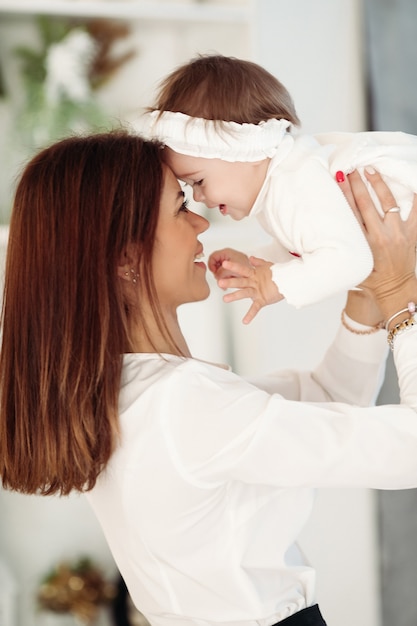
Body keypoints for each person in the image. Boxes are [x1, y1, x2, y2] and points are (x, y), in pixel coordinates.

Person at [1, 130, 417, 626]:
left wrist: (367, 289)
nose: (201, 221)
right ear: (124, 257)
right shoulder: (180, 406)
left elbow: (327, 398)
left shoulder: (136, 397)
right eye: (179, 206)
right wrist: (399, 296)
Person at [139, 53, 417, 321]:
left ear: (244, 150)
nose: (199, 198)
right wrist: (253, 264)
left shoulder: (295, 182)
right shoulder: (283, 186)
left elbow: (351, 261)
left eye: (198, 181)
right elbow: (308, 243)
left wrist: (276, 284)